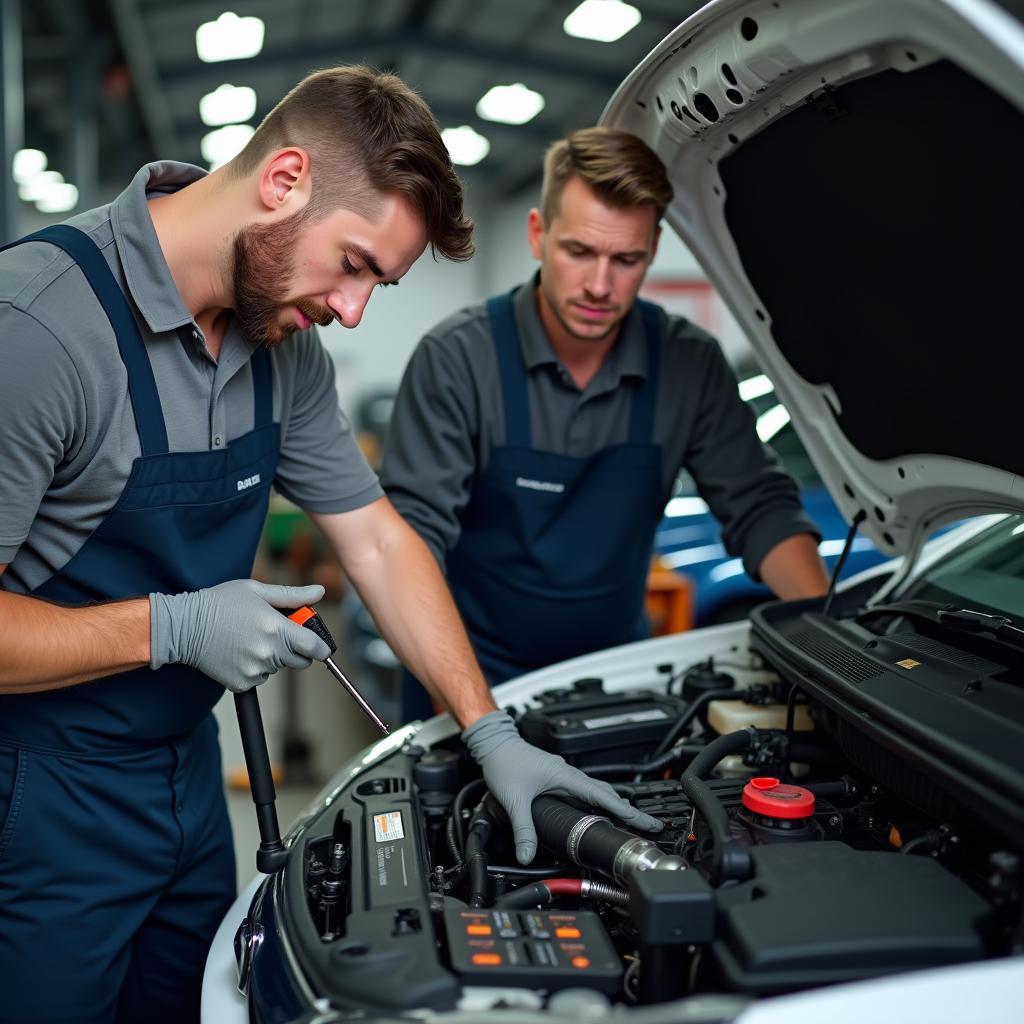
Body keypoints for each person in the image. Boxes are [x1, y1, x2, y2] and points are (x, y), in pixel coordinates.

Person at [0, 69, 659, 1024]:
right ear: (285, 179)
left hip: (185, 780)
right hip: (40, 797)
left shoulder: (283, 347)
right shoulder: (38, 330)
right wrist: (171, 627)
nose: (353, 312)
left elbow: (380, 542)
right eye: (353, 265)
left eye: (376, 285)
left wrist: (487, 729)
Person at [382, 127, 829, 719]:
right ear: (539, 235)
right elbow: (410, 549)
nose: (599, 285)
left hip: (615, 678)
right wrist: (476, 723)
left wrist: (833, 646)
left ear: (653, 247)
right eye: (580, 252)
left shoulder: (687, 365)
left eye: (626, 260)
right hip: (466, 673)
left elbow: (760, 506)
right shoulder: (459, 359)